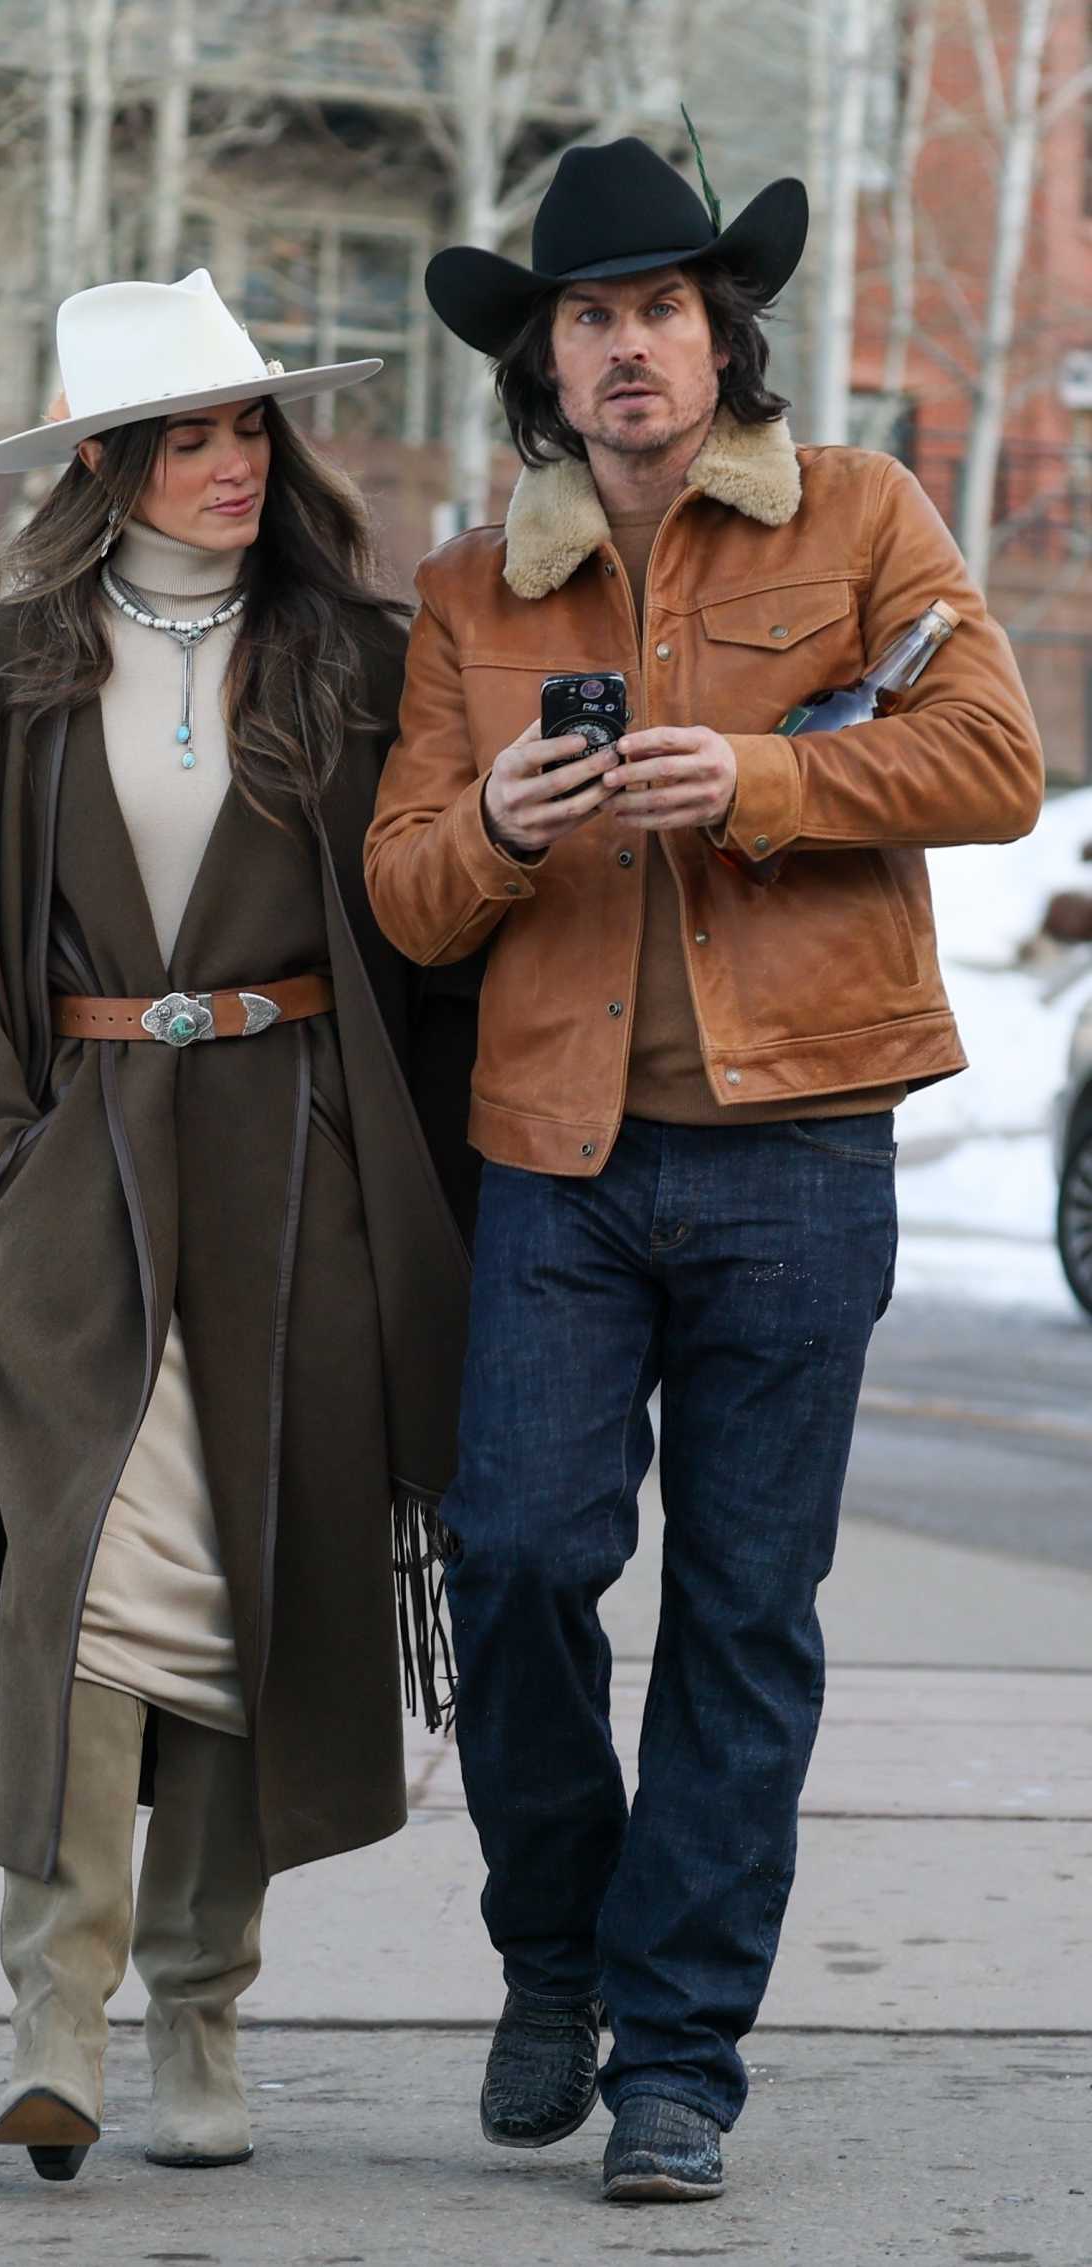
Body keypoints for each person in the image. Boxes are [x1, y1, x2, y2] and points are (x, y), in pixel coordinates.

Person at [364, 134, 1043, 2205]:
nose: (628, 347)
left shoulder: (857, 517)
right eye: (589, 317)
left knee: (748, 1618)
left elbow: (997, 761)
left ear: (716, 334)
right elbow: (403, 900)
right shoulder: (476, 588)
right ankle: (553, 1951)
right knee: (521, 1562)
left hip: (798, 1154)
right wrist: (498, 814)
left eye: (659, 307)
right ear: (544, 366)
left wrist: (758, 774)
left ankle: (676, 2058)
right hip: (558, 1168)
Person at [0, 271, 470, 2183]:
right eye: (184, 437)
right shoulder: (9, 670)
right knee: (81, 1593)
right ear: (106, 466)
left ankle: (203, 2012)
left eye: (247, 430)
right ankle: (56, 2018)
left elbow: (445, 925)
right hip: (73, 1185)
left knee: (241, 1593)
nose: (230, 466)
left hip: (298, 1179)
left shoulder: (361, 662)